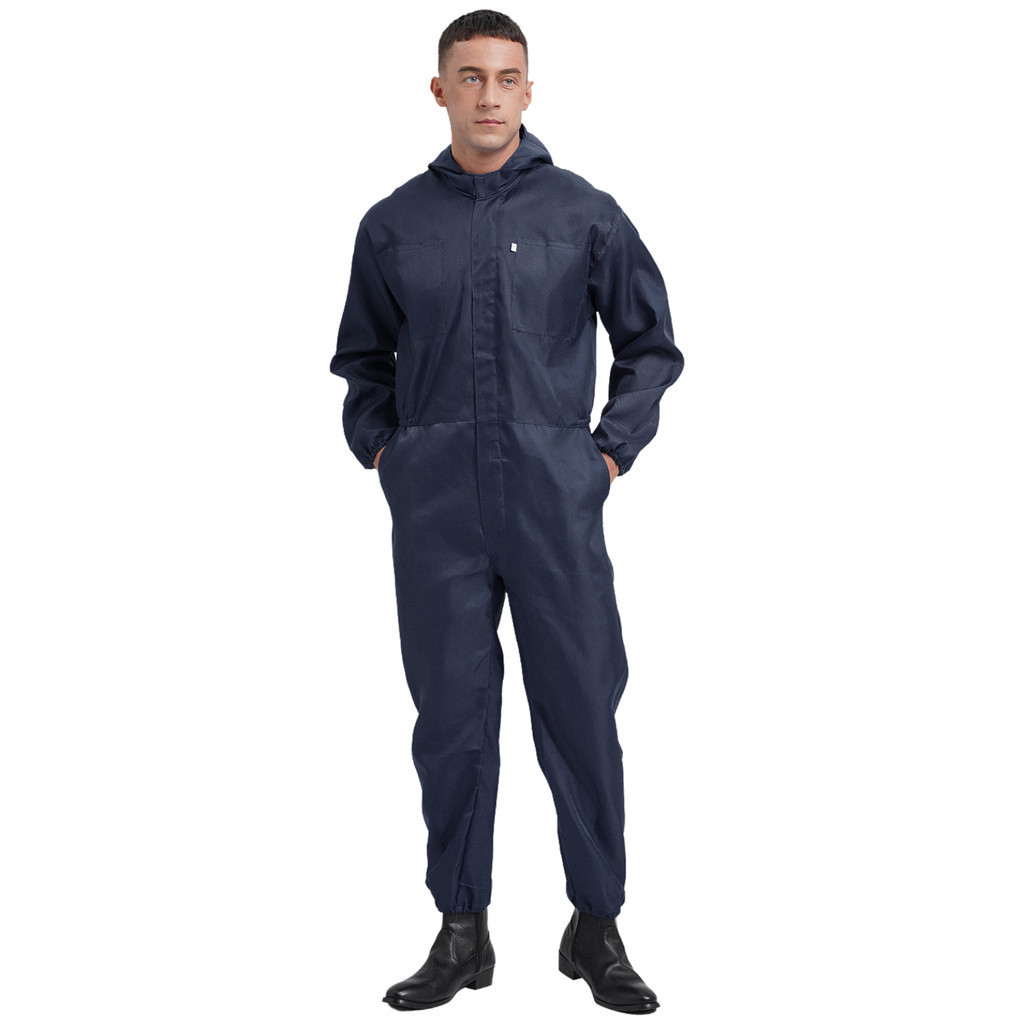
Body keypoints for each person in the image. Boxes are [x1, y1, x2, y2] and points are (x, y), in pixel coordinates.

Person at [330, 10, 683, 1015]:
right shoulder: (393, 224)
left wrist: (605, 453)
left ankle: (596, 925)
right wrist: (387, 452)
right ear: (438, 89)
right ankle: (461, 930)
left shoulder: (585, 212)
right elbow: (360, 360)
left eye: (507, 77)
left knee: (581, 711)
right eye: (471, 76)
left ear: (531, 89)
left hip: (553, 502)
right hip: (437, 509)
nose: (490, 95)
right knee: (450, 721)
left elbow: (650, 346)